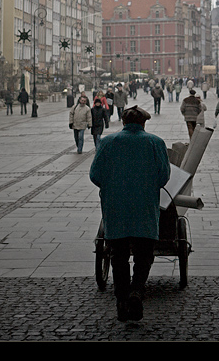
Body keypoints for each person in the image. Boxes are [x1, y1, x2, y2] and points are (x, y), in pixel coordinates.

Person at [89, 105, 170, 322]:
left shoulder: (107, 142)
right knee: (144, 254)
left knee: (119, 256)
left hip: (116, 208)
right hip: (144, 206)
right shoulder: (155, 142)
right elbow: (164, 176)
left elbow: (95, 174)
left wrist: (111, 186)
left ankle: (122, 300)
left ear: (124, 122)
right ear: (143, 123)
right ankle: (136, 291)